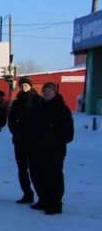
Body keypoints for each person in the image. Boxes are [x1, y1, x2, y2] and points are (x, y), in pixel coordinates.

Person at [30, 82, 74, 215]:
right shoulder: (39, 107)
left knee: (54, 176)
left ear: (55, 92)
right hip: (38, 148)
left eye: (49, 90)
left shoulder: (61, 108)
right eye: (45, 91)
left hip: (54, 149)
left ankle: (55, 203)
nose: (47, 93)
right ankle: (43, 199)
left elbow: (68, 133)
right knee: (38, 174)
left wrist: (55, 140)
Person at [7, 76, 41, 203]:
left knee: (35, 169)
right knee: (22, 168)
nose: (24, 87)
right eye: (21, 85)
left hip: (34, 141)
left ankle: (41, 196)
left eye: (26, 85)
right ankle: (27, 193)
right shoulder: (17, 102)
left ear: (31, 86)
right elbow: (11, 120)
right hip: (20, 140)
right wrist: (15, 131)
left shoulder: (38, 101)